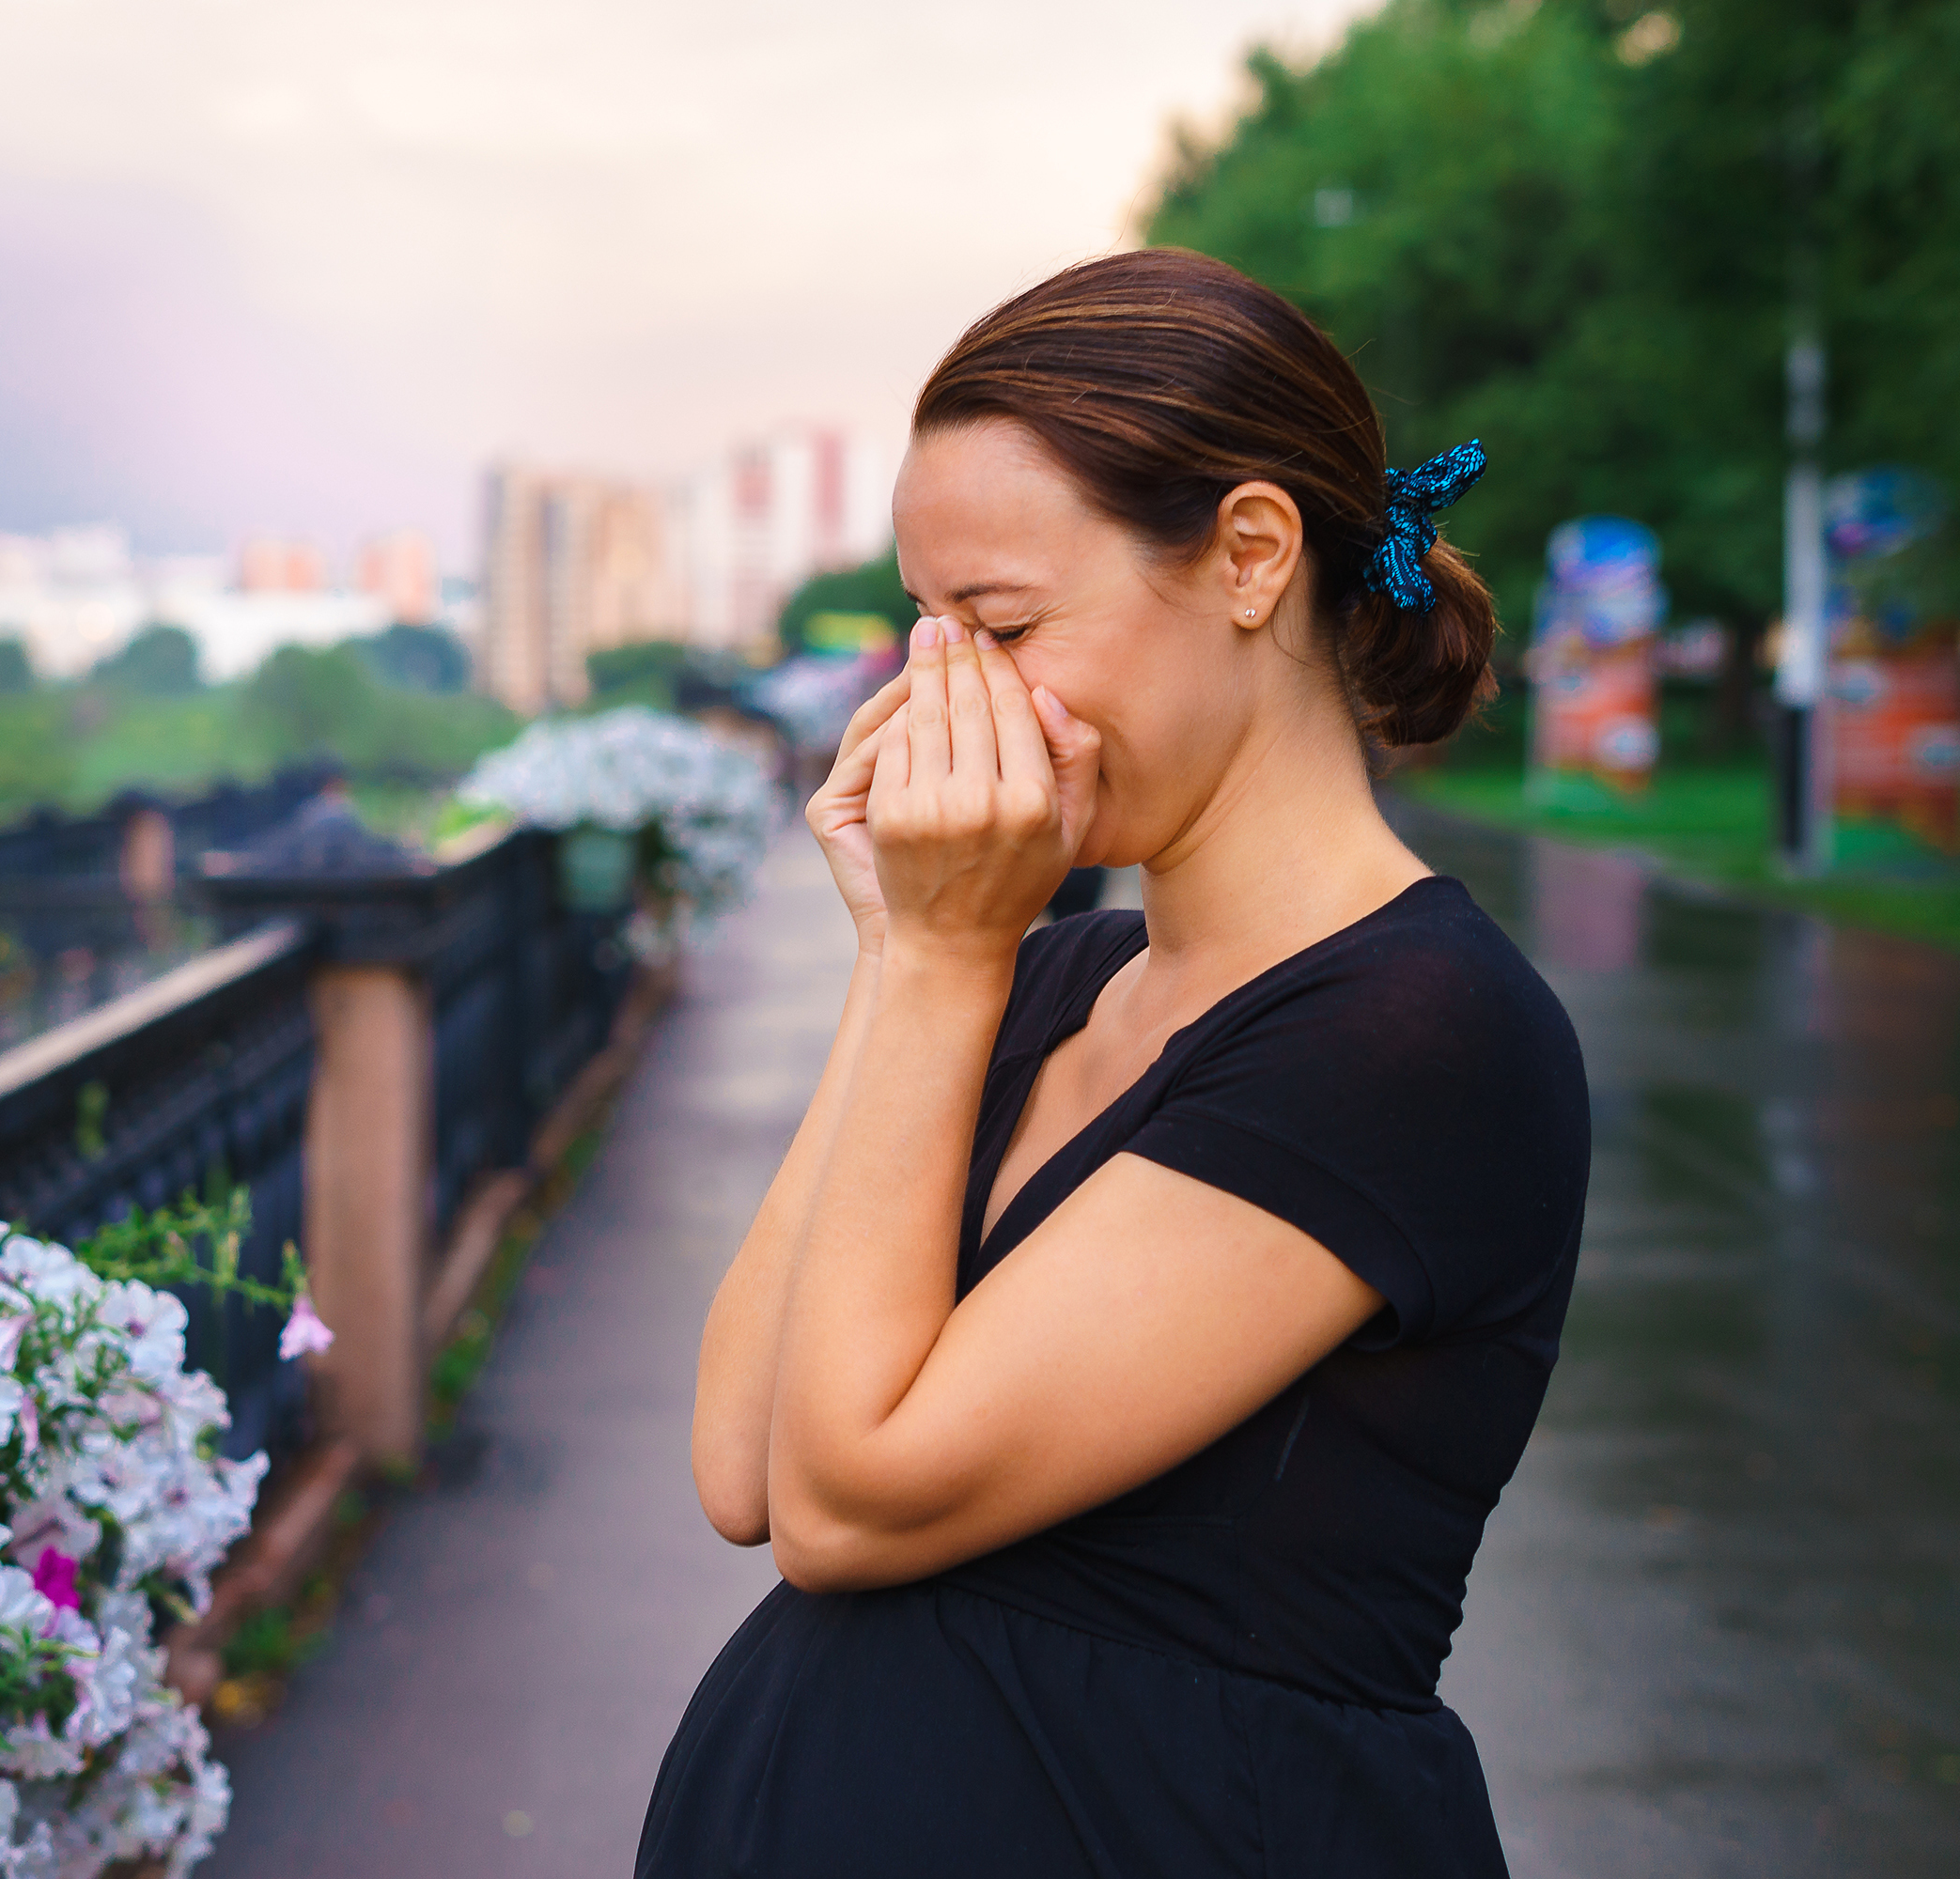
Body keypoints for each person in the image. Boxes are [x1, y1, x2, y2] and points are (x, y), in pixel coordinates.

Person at [641, 249, 1590, 1877]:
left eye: (997, 626)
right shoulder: (1051, 974)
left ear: (1247, 554)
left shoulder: (1417, 1034)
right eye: (926, 637)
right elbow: (745, 1452)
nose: (942, 701)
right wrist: (903, 950)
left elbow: (849, 1503)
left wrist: (946, 959)